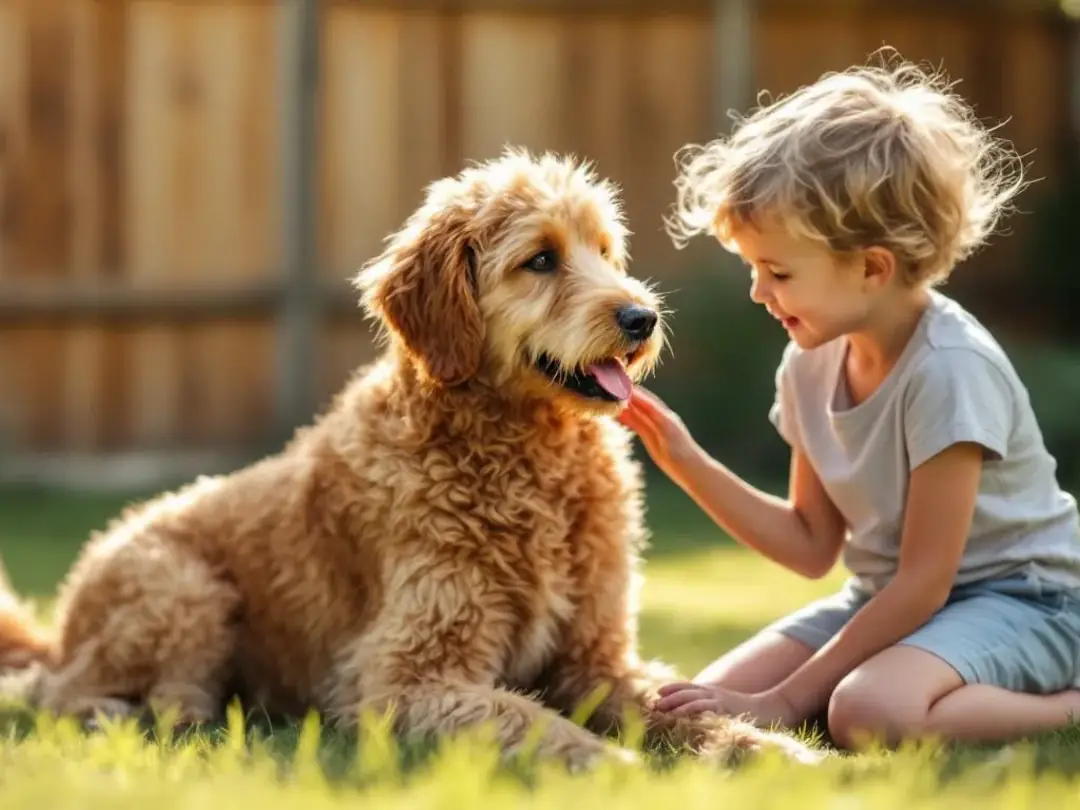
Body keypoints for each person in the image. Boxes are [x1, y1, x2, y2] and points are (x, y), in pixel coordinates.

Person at [619, 52, 1080, 751]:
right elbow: (811, 544)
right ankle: (892, 687)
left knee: (868, 712)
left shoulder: (949, 371)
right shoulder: (810, 361)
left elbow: (925, 583)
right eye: (752, 268)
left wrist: (786, 698)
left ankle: (1067, 707)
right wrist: (683, 459)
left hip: (1025, 600)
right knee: (690, 708)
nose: (757, 292)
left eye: (777, 272)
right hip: (884, 601)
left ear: (871, 267)